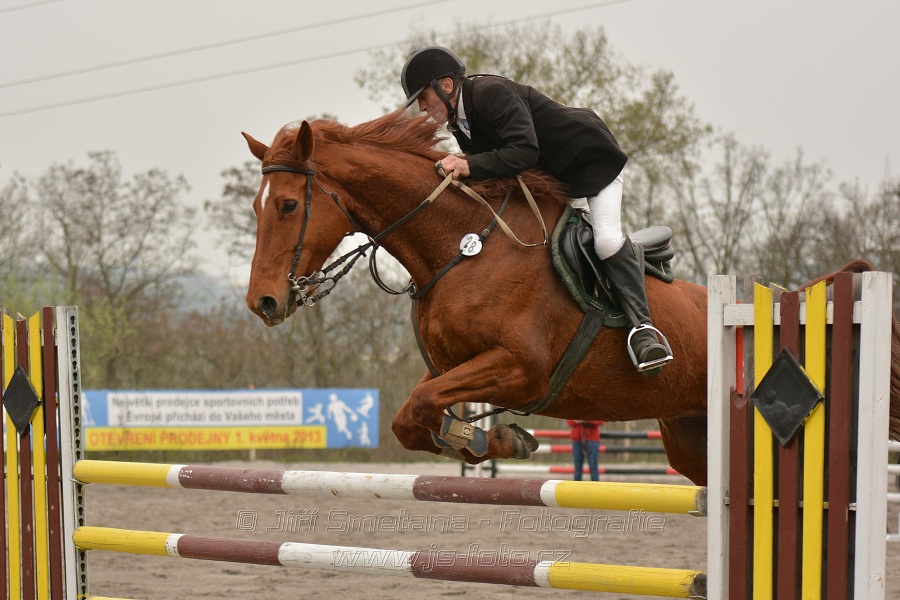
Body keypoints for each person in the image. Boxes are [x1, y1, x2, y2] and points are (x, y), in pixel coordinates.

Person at [399, 46, 673, 377]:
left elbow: (524, 150)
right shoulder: (461, 120)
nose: (422, 106)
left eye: (423, 96)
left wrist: (468, 163)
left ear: (445, 85)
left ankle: (644, 331)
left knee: (606, 241)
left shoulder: (490, 94)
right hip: (553, 180)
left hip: (591, 163)